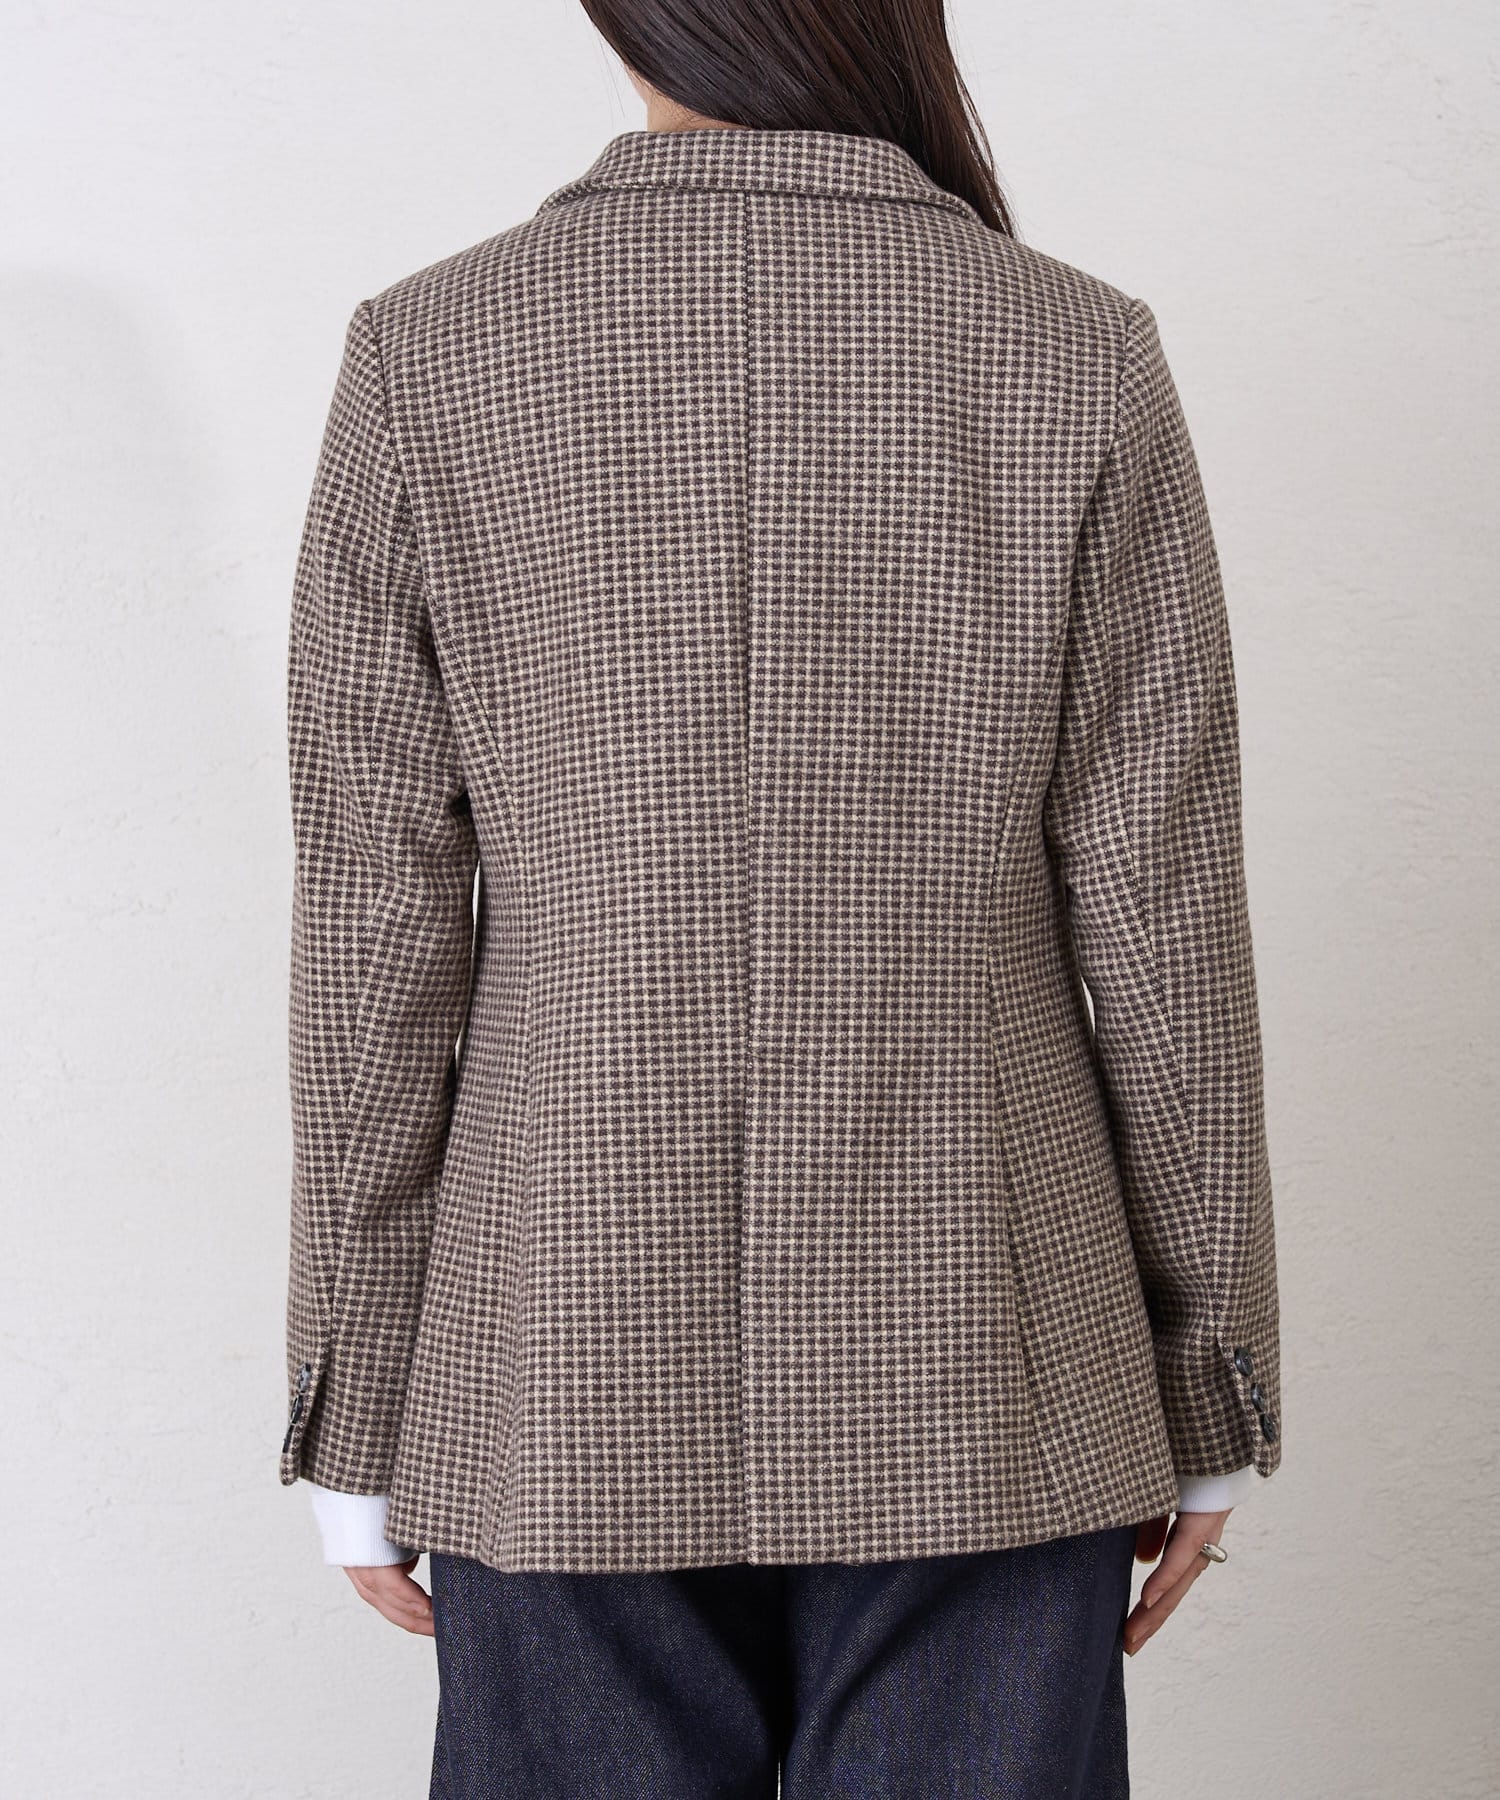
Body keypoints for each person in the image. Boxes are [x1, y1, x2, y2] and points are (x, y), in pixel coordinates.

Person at [278, 1, 1283, 1792]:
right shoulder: (1073, 346)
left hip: (555, 1349)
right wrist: (1211, 1379)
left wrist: (355, 1399)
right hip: (991, 1358)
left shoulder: (432, 350)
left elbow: (378, 934)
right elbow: (1165, 921)